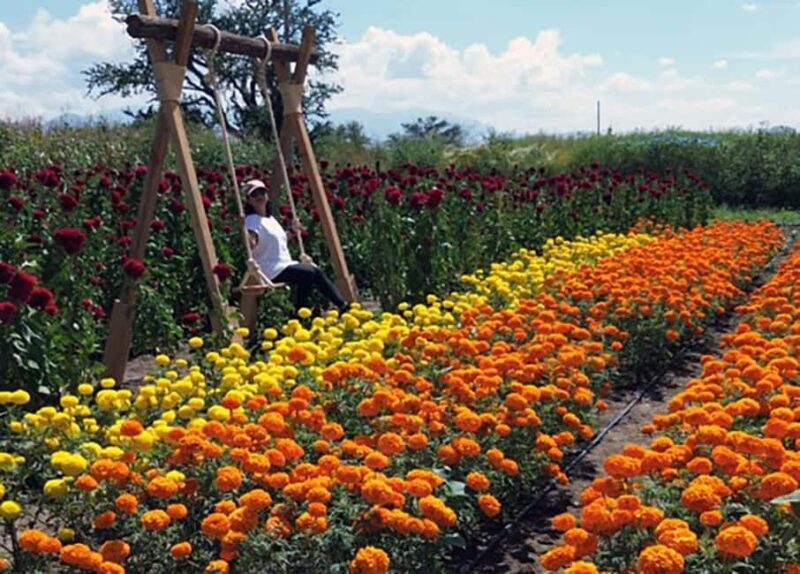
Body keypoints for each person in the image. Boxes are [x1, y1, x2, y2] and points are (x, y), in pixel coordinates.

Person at [242, 179, 350, 315]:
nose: (259, 197)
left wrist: (292, 231)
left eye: (262, 192)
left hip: (284, 264)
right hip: (269, 269)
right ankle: (341, 306)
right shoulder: (251, 220)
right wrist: (245, 232)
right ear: (249, 200)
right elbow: (252, 244)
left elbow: (278, 242)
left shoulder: (271, 220)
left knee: (311, 273)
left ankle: (300, 313)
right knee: (311, 272)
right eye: (254, 194)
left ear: (267, 195)